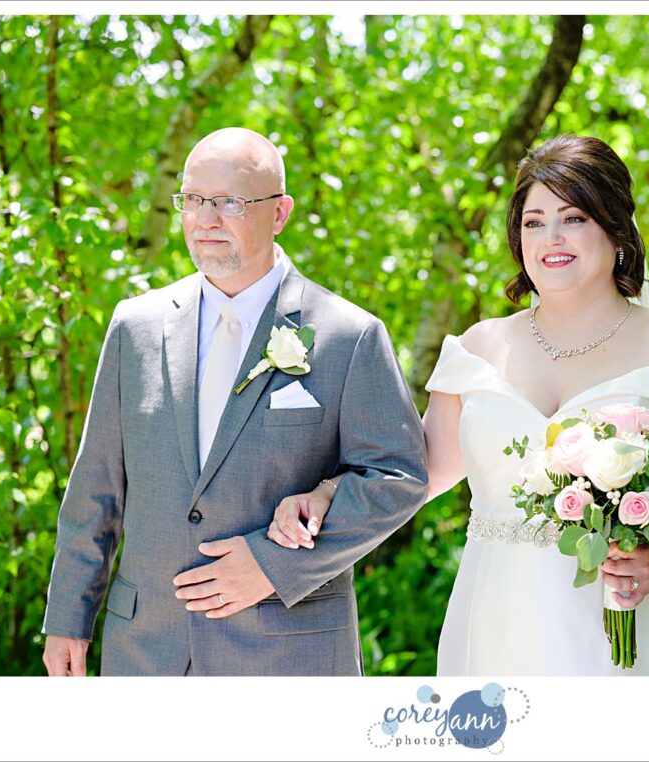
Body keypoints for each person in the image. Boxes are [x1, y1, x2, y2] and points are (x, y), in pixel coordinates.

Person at [268, 135, 649, 675]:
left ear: (616, 228)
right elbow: (416, 473)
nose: (551, 237)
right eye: (534, 221)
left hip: (627, 620)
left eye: (573, 217)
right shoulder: (478, 348)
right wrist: (324, 494)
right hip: (497, 619)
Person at [41, 128, 428, 676]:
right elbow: (96, 486)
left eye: (229, 202)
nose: (205, 219)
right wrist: (69, 617)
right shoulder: (136, 327)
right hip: (147, 650)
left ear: (279, 213)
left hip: (287, 655)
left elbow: (398, 477)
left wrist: (273, 566)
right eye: (193, 200)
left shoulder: (349, 336)